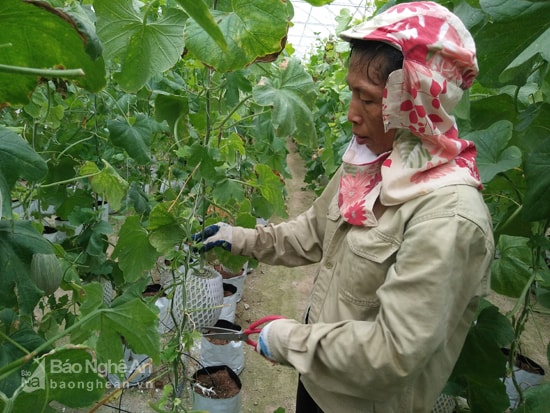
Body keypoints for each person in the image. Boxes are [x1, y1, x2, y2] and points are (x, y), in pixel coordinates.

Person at [195, 2, 494, 412]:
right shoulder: (372, 165)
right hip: (319, 382)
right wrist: (237, 238)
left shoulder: (449, 218)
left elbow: (393, 352)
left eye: (368, 99)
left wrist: (287, 339)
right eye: (352, 92)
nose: (352, 114)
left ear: (417, 100)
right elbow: (311, 233)